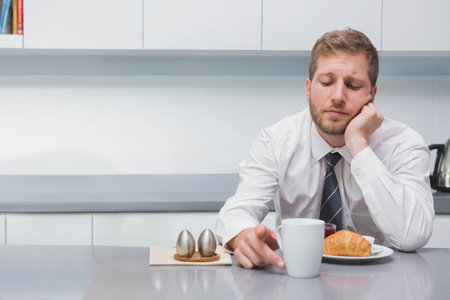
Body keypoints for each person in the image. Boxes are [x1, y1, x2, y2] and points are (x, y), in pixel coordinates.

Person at [215, 28, 435, 269]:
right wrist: (243, 235)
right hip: (298, 277)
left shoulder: (403, 144)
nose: (338, 96)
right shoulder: (277, 141)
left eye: (352, 85)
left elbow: (413, 235)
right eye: (327, 82)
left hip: (382, 282)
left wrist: (359, 147)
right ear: (309, 88)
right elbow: (236, 211)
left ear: (372, 95)